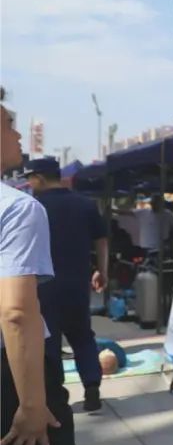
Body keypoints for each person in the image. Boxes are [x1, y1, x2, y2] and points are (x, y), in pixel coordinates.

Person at [0, 104, 84, 445]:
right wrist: (32, 404)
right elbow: (16, 312)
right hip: (11, 377)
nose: (17, 136)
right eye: (8, 125)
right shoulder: (16, 208)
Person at [23, 157, 109, 412]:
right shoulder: (85, 204)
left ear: (39, 178)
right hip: (77, 285)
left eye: (30, 178)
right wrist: (102, 271)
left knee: (49, 342)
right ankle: (91, 387)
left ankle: (56, 394)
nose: (29, 184)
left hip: (43, 287)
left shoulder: (31, 207)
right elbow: (102, 240)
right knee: (82, 336)